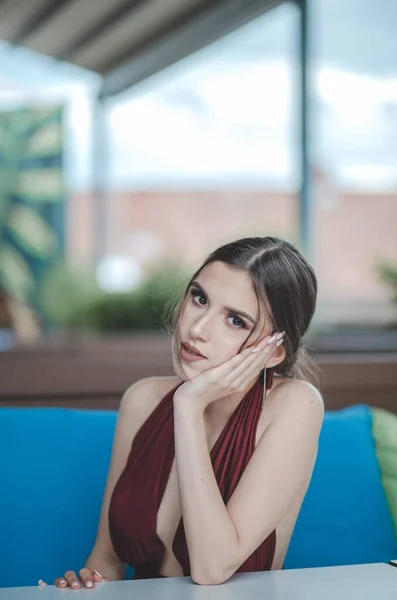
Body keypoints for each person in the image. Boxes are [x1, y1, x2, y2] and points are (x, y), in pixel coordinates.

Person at [39, 236, 324, 589]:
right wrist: (86, 585)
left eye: (235, 321)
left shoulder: (297, 405)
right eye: (199, 298)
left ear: (273, 352)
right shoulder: (143, 399)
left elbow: (211, 568)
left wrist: (188, 406)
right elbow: (106, 559)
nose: (197, 329)